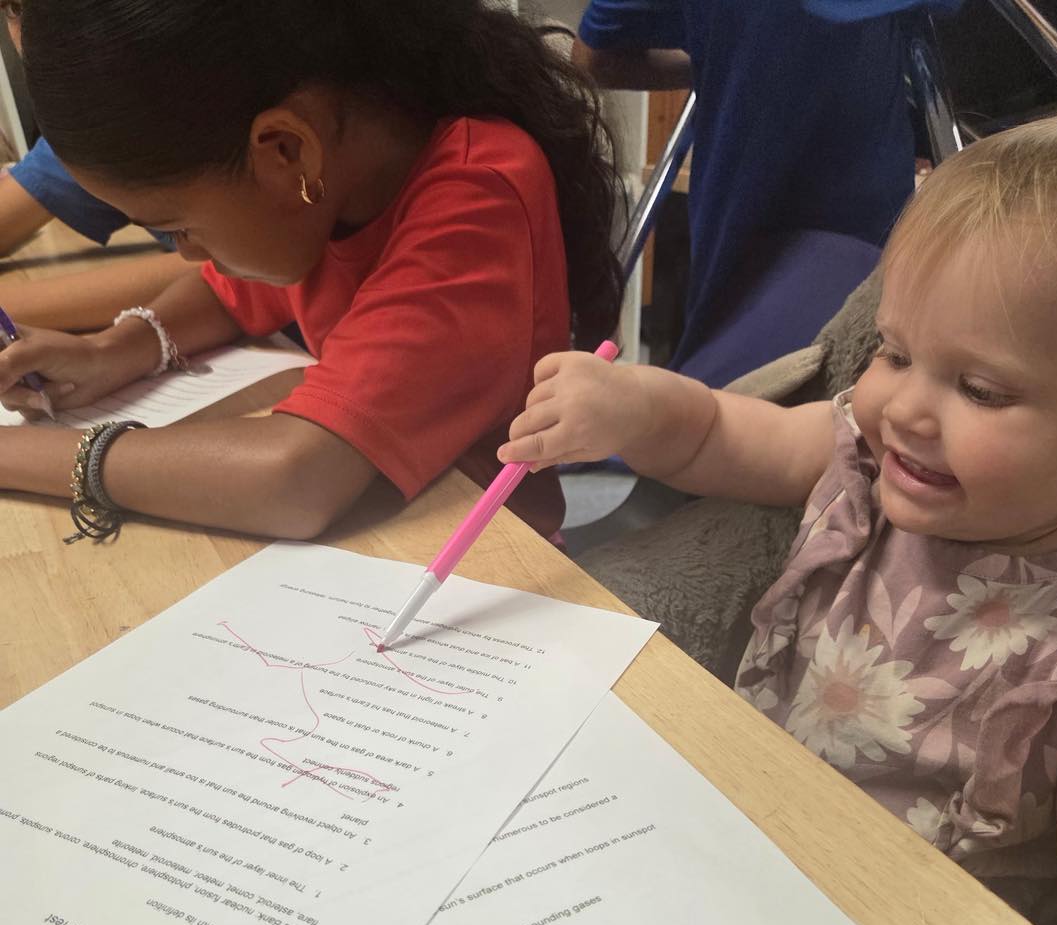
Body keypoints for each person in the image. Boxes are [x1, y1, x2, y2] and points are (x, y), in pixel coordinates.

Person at [498, 112, 1057, 925]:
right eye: (895, 353)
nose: (905, 407)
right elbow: (718, 434)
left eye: (980, 389)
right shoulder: (865, 461)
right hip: (743, 848)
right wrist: (630, 406)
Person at [0, 0, 622, 541]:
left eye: (181, 227)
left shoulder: (476, 192)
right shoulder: (326, 187)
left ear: (287, 149)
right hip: (371, 541)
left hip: (478, 570)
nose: (184, 251)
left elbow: (296, 478)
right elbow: (230, 291)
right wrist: (118, 348)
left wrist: (20, 454)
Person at [572, 0, 962, 382]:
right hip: (842, 220)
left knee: (742, 407)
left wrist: (725, 62)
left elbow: (595, 57)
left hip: (752, 216)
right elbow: (595, 57)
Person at [0, 1, 198, 329]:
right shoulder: (96, 121)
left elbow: (244, 269)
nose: (45, 40)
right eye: (17, 8)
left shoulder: (215, 103)